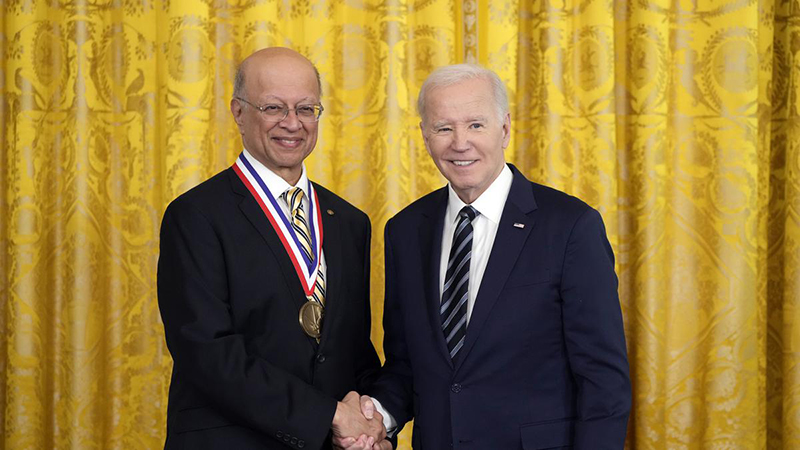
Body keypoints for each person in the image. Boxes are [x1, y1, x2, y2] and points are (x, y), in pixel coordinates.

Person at [351, 64, 632, 449]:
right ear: (424, 136)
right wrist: (376, 417)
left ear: (505, 129)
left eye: (476, 125)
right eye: (443, 128)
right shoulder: (405, 230)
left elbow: (603, 379)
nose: (460, 143)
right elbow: (406, 364)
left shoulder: (570, 226)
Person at [157, 47, 387, 449]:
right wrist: (329, 416)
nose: (292, 123)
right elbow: (208, 354)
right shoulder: (196, 215)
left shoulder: (349, 221)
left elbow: (354, 352)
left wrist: (371, 426)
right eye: (273, 108)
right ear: (238, 112)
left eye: (306, 109)